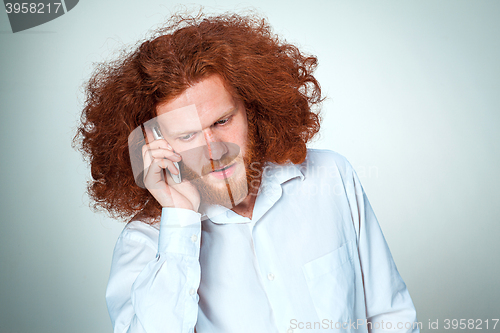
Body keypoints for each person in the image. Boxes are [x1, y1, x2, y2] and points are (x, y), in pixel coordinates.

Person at [74, 12, 419, 333]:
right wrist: (179, 219)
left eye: (222, 121)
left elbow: (391, 316)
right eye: (187, 135)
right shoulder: (147, 241)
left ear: (252, 108)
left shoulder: (331, 177)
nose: (214, 150)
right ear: (157, 146)